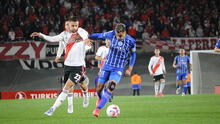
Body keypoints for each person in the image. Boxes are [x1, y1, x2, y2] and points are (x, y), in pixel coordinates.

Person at [30, 17, 90, 116]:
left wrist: (86, 40)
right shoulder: (64, 35)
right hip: (68, 66)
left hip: (79, 67)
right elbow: (52, 39)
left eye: (76, 25)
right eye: (72, 25)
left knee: (66, 88)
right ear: (68, 25)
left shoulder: (81, 32)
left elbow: (85, 34)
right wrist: (40, 34)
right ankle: (82, 97)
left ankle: (52, 108)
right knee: (82, 84)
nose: (75, 27)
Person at [87, 23, 136, 117]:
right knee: (99, 88)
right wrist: (88, 36)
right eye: (117, 35)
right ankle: (101, 98)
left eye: (120, 35)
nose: (118, 37)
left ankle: (97, 109)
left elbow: (133, 55)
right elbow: (99, 35)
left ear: (124, 32)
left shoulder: (131, 41)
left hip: (118, 68)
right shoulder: (111, 34)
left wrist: (129, 69)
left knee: (111, 86)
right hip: (106, 66)